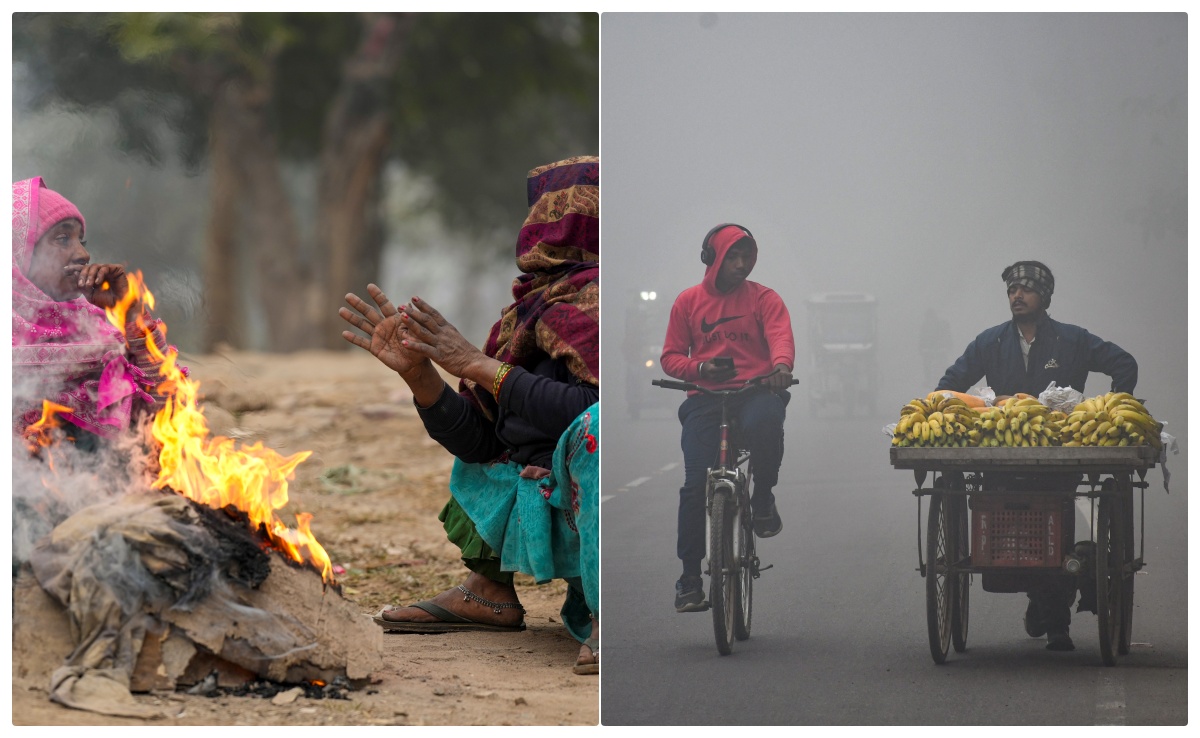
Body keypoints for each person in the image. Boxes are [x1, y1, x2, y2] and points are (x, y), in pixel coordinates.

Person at [339, 156, 600, 674]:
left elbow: (589, 409)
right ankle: (489, 592)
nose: (539, 225)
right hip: (546, 501)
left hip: (592, 503)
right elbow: (484, 442)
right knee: (488, 457)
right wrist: (421, 377)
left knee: (597, 432)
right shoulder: (528, 312)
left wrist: (479, 366)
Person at [936, 260, 1138, 652]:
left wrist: (1113, 407)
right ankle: (1045, 604)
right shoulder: (989, 342)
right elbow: (950, 385)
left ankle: (1055, 619)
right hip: (1001, 456)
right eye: (1012, 290)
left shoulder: (1072, 340)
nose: (1017, 295)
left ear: (1043, 298)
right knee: (1015, 522)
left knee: (1054, 521)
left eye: (1026, 290)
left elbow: (1123, 364)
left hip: (1058, 457)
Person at [660, 223, 795, 612]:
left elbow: (781, 338)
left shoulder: (764, 298)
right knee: (692, 483)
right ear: (712, 258)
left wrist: (781, 366)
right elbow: (671, 357)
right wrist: (700, 369)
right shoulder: (687, 302)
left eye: (746, 257)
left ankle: (764, 497)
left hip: (755, 391)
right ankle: (689, 578)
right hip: (704, 398)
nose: (741, 265)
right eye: (732, 257)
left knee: (767, 422)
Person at [12, 177, 172, 448]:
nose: (83, 254)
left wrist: (130, 312)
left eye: (81, 241)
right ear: (16, 251)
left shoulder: (97, 334)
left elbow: (165, 425)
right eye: (62, 239)